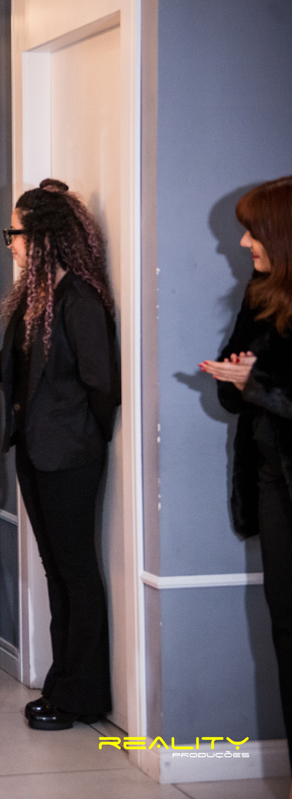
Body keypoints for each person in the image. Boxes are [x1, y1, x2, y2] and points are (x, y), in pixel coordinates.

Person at [0, 178, 120, 731]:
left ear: (41, 239)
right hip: (37, 452)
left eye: (14, 233)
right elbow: (17, 361)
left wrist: (85, 436)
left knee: (75, 571)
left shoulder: (80, 300)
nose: (10, 243)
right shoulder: (39, 298)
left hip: (70, 455)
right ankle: (64, 684)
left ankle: (80, 695)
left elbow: (102, 385)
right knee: (56, 569)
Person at [201, 175, 292, 787]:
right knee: (285, 629)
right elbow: (236, 394)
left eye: (252, 232)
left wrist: (255, 384)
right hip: (271, 480)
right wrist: (237, 380)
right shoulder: (261, 293)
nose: (241, 242)